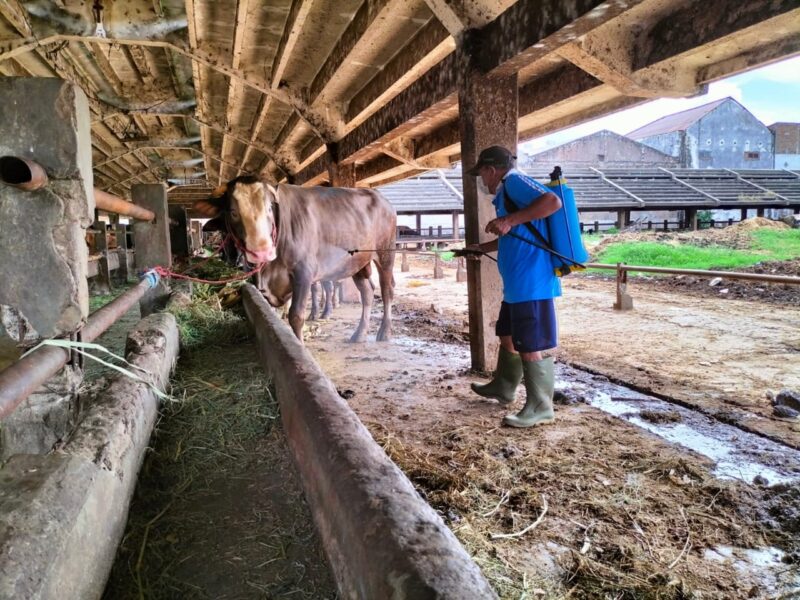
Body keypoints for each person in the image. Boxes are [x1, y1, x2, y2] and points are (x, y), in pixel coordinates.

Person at [464, 145, 562, 428]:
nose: (482, 181)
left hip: (531, 283)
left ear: (490, 170)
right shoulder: (507, 194)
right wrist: (481, 248)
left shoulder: (515, 182)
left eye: (481, 174)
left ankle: (541, 407)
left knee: (530, 343)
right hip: (518, 284)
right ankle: (504, 386)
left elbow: (553, 202)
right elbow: (514, 236)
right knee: (507, 333)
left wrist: (509, 219)